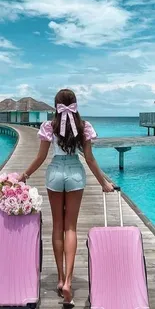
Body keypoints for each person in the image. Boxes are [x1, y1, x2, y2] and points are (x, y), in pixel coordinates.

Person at [18, 89, 114, 307]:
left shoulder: (48, 127)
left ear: (56, 106)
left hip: (54, 173)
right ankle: (70, 281)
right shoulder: (84, 126)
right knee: (71, 227)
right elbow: (89, 159)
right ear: (76, 105)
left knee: (57, 226)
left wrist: (25, 175)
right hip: (75, 173)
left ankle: (60, 279)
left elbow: (41, 157)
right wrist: (104, 183)